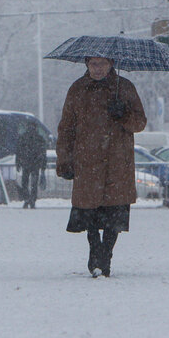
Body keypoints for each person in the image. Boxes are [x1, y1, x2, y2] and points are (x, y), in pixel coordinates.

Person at [55, 56, 147, 277]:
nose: (97, 69)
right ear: (86, 64)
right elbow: (66, 127)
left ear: (111, 64)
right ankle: (95, 251)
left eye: (102, 64)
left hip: (117, 164)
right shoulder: (77, 90)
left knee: (114, 216)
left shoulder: (124, 88)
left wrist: (123, 114)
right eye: (93, 64)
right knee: (90, 215)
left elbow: (140, 122)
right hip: (87, 163)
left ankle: (106, 254)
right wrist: (64, 160)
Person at [16, 126, 47, 209]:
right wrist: (43, 167)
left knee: (24, 182)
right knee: (34, 183)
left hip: (25, 163)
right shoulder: (40, 139)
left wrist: (18, 163)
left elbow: (18, 151)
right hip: (35, 164)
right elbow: (43, 154)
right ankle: (32, 200)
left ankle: (26, 198)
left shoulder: (23, 137)